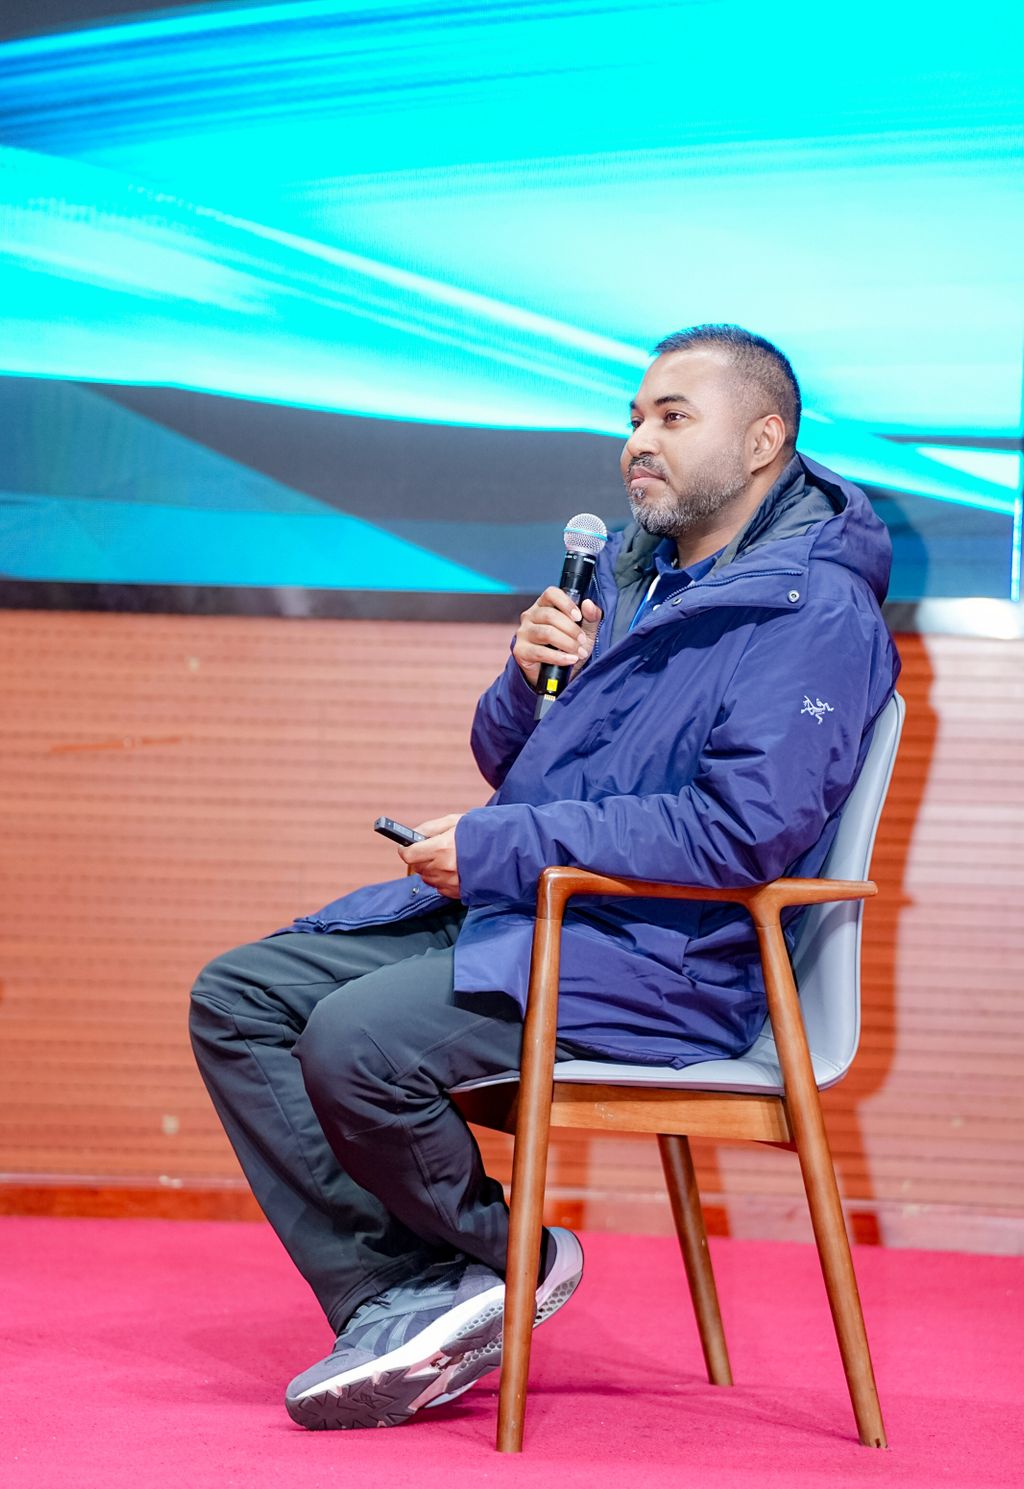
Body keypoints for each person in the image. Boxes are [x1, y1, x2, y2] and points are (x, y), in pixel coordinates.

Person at [189, 323, 900, 1432]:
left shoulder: (813, 613)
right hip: (545, 914)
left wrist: (494, 852)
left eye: (672, 417)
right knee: (239, 997)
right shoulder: (633, 575)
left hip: (671, 956)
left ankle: (495, 1262)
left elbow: (742, 832)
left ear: (763, 441)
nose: (638, 442)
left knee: (358, 1042)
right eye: (633, 418)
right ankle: (404, 1290)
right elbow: (506, 763)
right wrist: (526, 681)